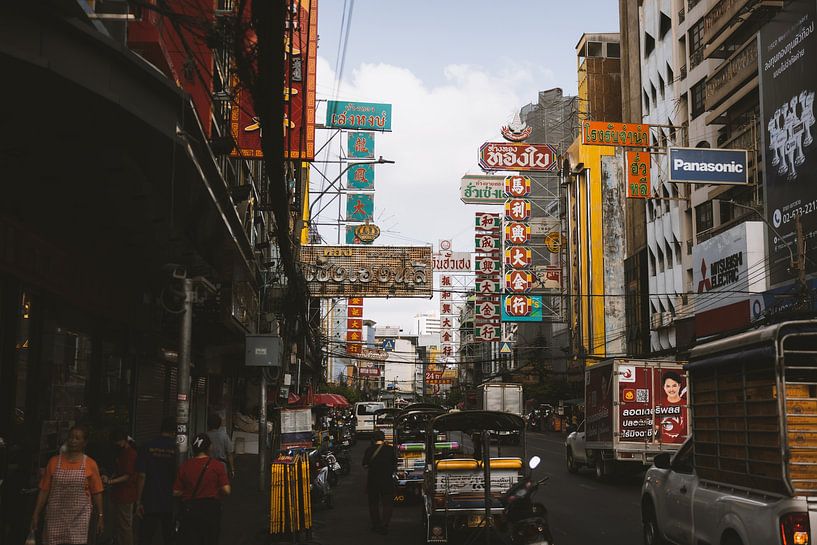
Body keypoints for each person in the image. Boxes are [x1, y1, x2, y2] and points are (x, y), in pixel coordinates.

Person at [30, 424, 105, 545]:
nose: (73, 441)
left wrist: (101, 515)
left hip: (79, 517)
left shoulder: (90, 464)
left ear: (85, 443)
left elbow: (97, 492)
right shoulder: (54, 462)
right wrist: (36, 513)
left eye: (77, 438)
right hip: (55, 515)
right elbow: (44, 490)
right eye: (70, 437)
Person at [173, 433, 230, 545]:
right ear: (209, 447)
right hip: (211, 509)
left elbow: (176, 492)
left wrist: (188, 491)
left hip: (191, 510)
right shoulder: (217, 465)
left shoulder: (185, 466)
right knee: (210, 539)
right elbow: (227, 490)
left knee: (192, 539)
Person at [135, 417, 177, 545]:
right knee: (168, 537)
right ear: (174, 432)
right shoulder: (175, 449)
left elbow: (141, 475)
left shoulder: (147, 446)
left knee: (145, 537)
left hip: (150, 499)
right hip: (169, 500)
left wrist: (138, 501)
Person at [103, 428, 138, 545]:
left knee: (124, 526)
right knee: (120, 525)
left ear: (123, 440)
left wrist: (110, 481)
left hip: (125, 493)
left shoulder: (130, 454)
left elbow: (127, 476)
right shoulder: (124, 452)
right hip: (121, 493)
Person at [362, 430, 396, 535]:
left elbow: (365, 464)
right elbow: (394, 465)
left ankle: (376, 525)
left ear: (373, 439)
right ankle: (384, 525)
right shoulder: (390, 449)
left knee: (373, 504)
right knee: (387, 504)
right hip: (387, 481)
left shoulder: (369, 450)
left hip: (373, 481)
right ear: (383, 438)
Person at [206, 414, 235, 479]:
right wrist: (232, 469)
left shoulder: (206, 436)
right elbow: (230, 454)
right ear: (219, 424)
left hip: (208, 464)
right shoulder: (224, 436)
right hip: (222, 465)